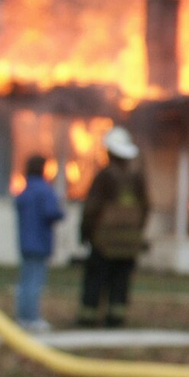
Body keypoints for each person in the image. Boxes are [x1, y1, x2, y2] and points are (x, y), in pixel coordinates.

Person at [77, 126, 150, 328]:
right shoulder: (137, 179)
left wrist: (84, 232)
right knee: (121, 280)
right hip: (128, 243)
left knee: (96, 278)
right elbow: (146, 208)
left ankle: (88, 316)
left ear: (110, 152)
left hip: (103, 241)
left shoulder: (105, 177)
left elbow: (92, 208)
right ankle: (116, 317)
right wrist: (136, 233)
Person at [12, 155, 65, 331]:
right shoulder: (45, 190)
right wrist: (61, 209)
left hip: (25, 242)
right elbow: (52, 213)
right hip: (40, 242)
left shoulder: (25, 190)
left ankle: (22, 317)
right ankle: (33, 318)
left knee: (25, 281)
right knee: (35, 282)